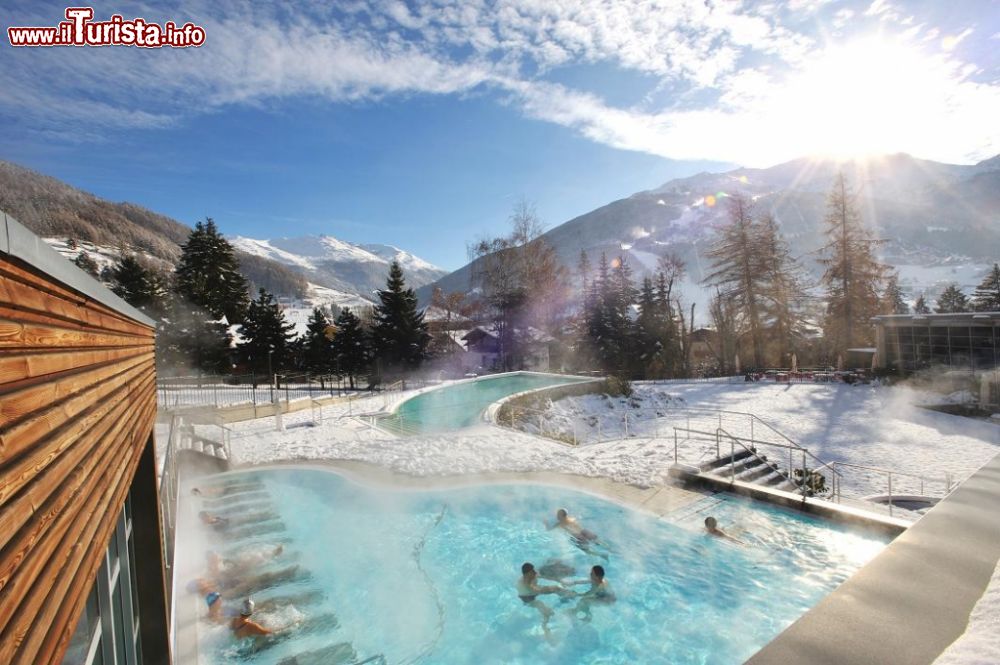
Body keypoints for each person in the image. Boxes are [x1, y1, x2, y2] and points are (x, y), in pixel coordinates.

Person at [516, 562, 564, 636]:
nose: (535, 572)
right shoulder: (525, 585)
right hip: (528, 598)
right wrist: (554, 588)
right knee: (544, 609)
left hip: (534, 591)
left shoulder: (532, 575)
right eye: (532, 571)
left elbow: (543, 576)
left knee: (556, 589)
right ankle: (545, 628)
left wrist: (559, 580)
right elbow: (539, 590)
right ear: (528, 574)